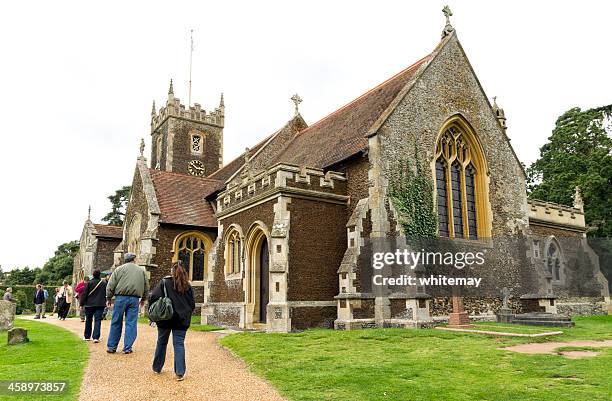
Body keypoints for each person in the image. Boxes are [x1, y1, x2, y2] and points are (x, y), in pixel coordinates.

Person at [150, 261, 195, 381]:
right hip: (181, 320)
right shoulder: (188, 286)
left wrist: (153, 316)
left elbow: (153, 297)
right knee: (179, 344)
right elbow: (192, 304)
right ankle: (179, 372)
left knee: (161, 342)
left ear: (172, 271)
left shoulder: (164, 282)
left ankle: (157, 367)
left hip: (165, 318)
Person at [106, 253, 149, 354]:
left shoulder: (118, 269)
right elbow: (146, 286)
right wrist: (144, 299)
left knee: (116, 322)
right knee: (131, 323)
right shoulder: (141, 271)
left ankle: (112, 347)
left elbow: (111, 285)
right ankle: (127, 348)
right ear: (133, 259)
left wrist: (108, 297)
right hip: (134, 299)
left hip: (120, 298)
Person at [80, 270, 107, 343]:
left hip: (89, 304)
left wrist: (81, 304)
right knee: (98, 321)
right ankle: (96, 337)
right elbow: (105, 293)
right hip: (100, 304)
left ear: (93, 275)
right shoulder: (103, 283)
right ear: (99, 275)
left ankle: (87, 336)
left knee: (88, 320)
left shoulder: (89, 283)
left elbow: (84, 294)